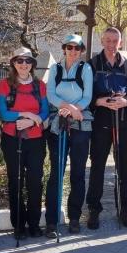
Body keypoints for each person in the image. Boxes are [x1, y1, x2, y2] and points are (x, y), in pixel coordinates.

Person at [87, 27, 127, 229]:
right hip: (100, 121)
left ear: (120, 43)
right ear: (102, 41)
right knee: (98, 166)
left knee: (123, 166)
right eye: (108, 41)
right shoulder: (92, 64)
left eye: (114, 41)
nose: (111, 45)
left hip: (122, 121)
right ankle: (94, 209)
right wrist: (99, 101)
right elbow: (85, 96)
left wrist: (125, 101)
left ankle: (124, 209)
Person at [0, 47, 49, 239]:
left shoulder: (39, 85)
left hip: (35, 140)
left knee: (35, 182)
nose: (24, 65)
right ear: (13, 63)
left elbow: (44, 111)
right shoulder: (4, 85)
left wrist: (32, 120)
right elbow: (3, 113)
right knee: (16, 181)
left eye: (27, 61)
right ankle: (18, 224)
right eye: (19, 61)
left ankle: (34, 223)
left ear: (32, 65)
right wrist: (25, 114)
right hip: (12, 139)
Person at [45, 34, 93, 237]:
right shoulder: (55, 69)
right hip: (59, 123)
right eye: (70, 47)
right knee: (56, 173)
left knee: (78, 174)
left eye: (77, 48)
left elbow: (87, 96)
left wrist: (75, 110)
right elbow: (50, 94)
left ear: (81, 51)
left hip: (81, 124)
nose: (73, 51)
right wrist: (66, 108)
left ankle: (74, 217)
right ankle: (51, 221)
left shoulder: (86, 69)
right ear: (64, 48)